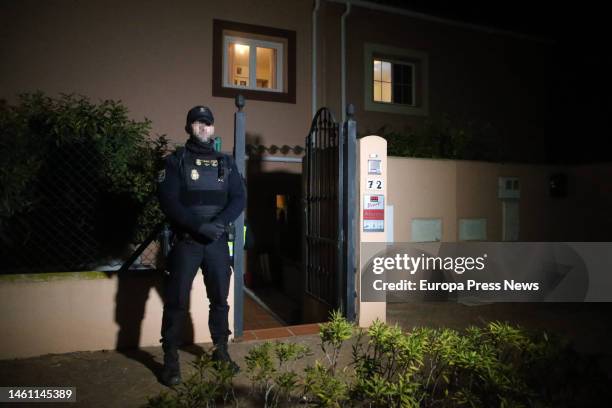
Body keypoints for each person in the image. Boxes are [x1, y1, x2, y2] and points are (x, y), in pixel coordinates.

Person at [156, 105, 246, 386]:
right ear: (188, 127)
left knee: (220, 299)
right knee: (176, 301)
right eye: (197, 123)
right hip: (187, 241)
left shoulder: (226, 162)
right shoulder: (175, 162)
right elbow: (168, 201)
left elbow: (239, 198)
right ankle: (170, 361)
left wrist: (218, 224)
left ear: (213, 128)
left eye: (207, 123)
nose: (203, 127)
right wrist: (197, 226)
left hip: (217, 241)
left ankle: (221, 351)